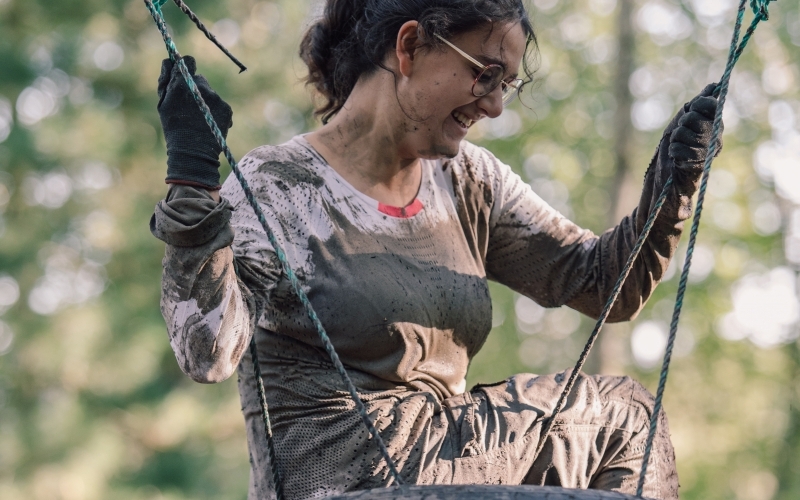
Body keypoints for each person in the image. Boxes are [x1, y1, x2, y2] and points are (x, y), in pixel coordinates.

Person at [150, 0, 721, 498]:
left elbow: (602, 285)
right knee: (623, 416)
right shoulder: (281, 185)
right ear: (410, 46)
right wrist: (193, 183)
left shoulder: (469, 181)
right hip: (344, 484)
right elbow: (206, 351)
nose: (495, 105)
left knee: (626, 419)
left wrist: (671, 187)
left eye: (507, 84)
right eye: (486, 74)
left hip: (452, 468)